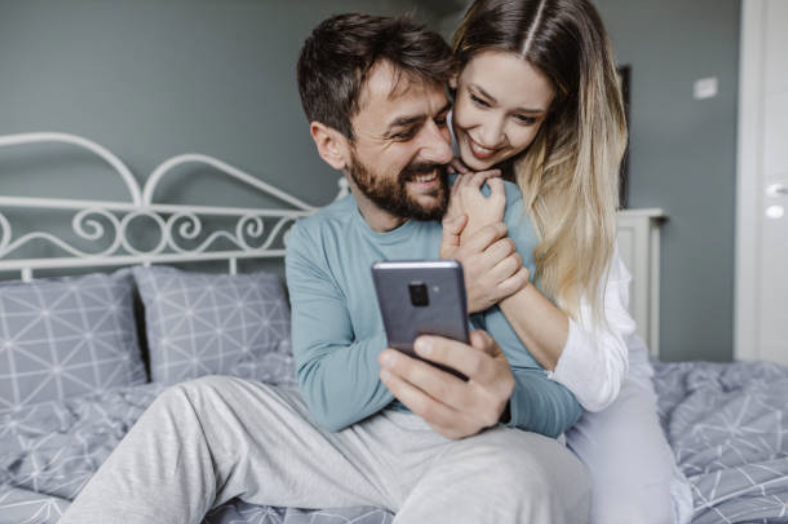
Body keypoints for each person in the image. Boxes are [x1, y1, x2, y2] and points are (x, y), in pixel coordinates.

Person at [58, 13, 590, 524]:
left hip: (492, 444)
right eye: (406, 131)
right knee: (194, 407)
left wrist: (505, 399)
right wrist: (443, 295)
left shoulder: (498, 206)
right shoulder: (314, 241)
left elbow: (566, 396)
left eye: (439, 117)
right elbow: (329, 400)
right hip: (363, 444)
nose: (440, 146)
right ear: (332, 145)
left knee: (506, 476)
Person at [439, 1, 694, 523]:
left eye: (523, 117)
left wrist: (495, 256)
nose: (489, 136)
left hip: (593, 364)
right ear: (454, 73)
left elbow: (598, 380)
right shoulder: (414, 154)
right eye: (479, 99)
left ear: (554, 112)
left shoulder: (572, 191)